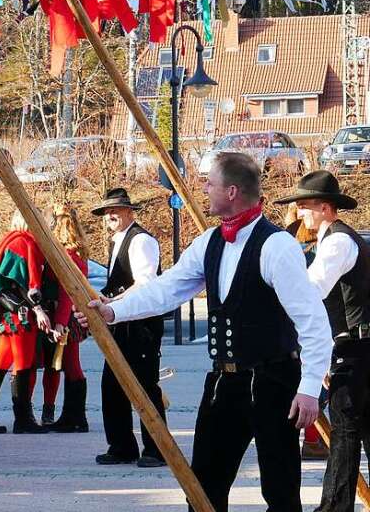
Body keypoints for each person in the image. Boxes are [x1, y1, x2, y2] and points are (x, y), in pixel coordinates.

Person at [80, 152, 332, 512]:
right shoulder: (210, 242)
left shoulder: (277, 246)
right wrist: (114, 311)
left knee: (280, 490)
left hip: (273, 380)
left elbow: (313, 323)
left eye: (209, 182)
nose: (204, 188)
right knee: (203, 488)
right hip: (223, 383)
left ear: (231, 191)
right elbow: (167, 288)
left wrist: (308, 390)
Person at [275, 170, 370, 512]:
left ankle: (333, 507)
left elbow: (310, 292)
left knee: (345, 432)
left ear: (327, 208)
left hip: (357, 351)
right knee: (359, 431)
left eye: (306, 206)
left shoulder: (338, 242)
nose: (300, 213)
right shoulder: (336, 240)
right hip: (357, 350)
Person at [90, 187, 167, 467]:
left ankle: (157, 449)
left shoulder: (141, 240)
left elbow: (145, 283)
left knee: (145, 386)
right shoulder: (118, 240)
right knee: (112, 386)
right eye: (106, 211)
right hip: (121, 321)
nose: (109, 215)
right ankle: (122, 446)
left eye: (115, 210)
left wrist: (113, 302)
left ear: (129, 212)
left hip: (141, 324)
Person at [0, 211, 52, 435]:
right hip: (18, 314)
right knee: (22, 363)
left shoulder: (14, 240)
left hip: (10, 314)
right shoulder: (21, 243)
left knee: (1, 362)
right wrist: (36, 309)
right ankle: (22, 419)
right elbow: (17, 284)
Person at [282, 201, 329, 460]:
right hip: (308, 324)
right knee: (315, 384)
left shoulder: (287, 245)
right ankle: (312, 440)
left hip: (290, 327)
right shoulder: (312, 251)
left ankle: (312, 440)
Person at [47, 204, 91, 433]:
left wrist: (60, 323)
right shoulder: (78, 252)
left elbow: (67, 292)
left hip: (69, 315)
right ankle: (73, 416)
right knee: (71, 365)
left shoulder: (67, 255)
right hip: (74, 313)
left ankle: (75, 417)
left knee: (72, 366)